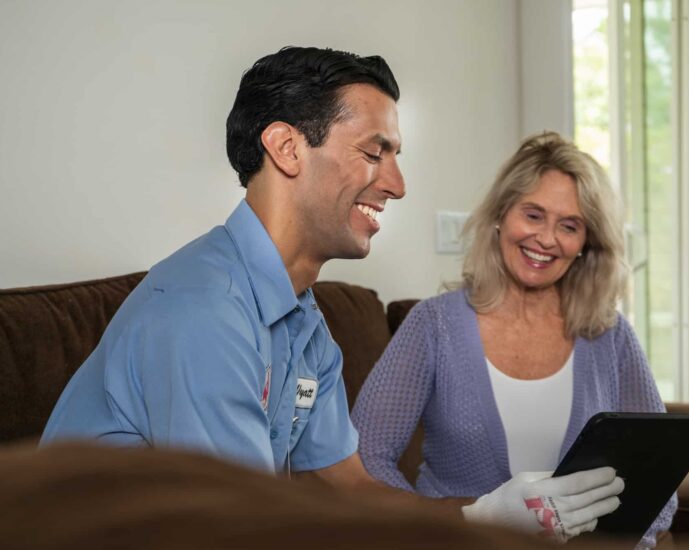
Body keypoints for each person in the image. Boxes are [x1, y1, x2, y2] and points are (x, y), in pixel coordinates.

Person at [41, 48, 623, 538]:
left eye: (395, 157)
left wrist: (480, 519)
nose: (397, 185)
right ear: (287, 148)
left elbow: (353, 487)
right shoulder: (204, 311)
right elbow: (244, 529)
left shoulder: (306, 326)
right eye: (373, 152)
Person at [351, 132, 674, 548]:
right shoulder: (433, 325)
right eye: (534, 215)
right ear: (501, 215)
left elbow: (659, 475)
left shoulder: (610, 335)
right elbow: (364, 459)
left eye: (569, 226)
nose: (546, 239)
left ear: (585, 244)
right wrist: (436, 529)